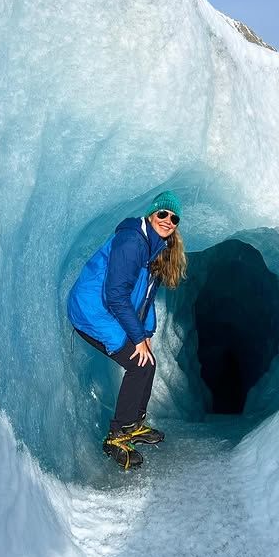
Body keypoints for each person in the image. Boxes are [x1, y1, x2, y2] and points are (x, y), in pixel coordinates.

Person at [68, 191, 186, 469]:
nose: (168, 220)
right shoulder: (133, 241)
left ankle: (133, 425)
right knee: (139, 366)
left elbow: (143, 298)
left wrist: (145, 335)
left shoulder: (155, 248)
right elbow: (116, 295)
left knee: (148, 362)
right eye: (163, 213)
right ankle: (116, 435)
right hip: (91, 311)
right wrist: (136, 338)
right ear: (152, 213)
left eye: (174, 217)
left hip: (109, 311)